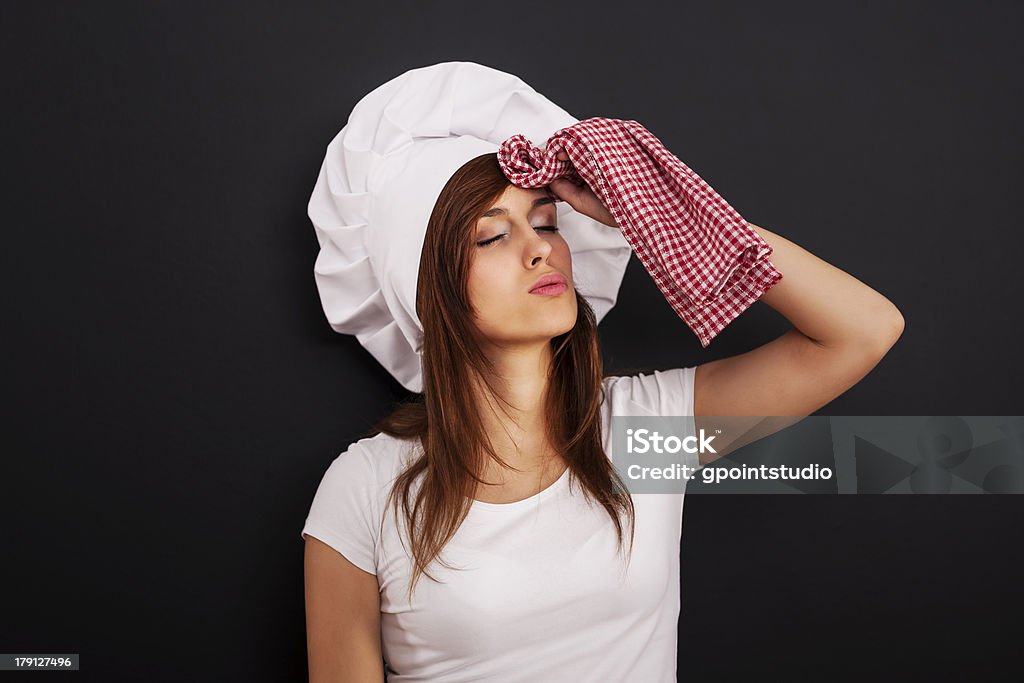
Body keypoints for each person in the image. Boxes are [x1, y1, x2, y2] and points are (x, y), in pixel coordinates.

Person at [301, 63, 904, 682]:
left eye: (545, 222)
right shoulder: (365, 488)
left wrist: (660, 215)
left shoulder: (645, 430)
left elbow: (863, 330)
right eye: (491, 238)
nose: (539, 248)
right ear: (424, 289)